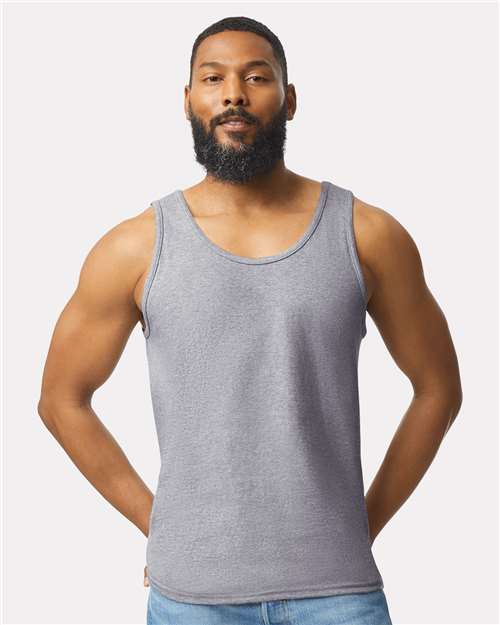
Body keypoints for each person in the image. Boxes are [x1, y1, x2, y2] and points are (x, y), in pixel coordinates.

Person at [37, 15, 462, 625]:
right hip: (192, 600)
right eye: (213, 78)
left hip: (338, 594)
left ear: (290, 100)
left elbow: (439, 389)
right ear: (188, 100)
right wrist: (158, 525)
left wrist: (361, 524)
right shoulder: (135, 247)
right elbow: (61, 400)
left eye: (256, 77)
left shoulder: (367, 234)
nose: (233, 93)